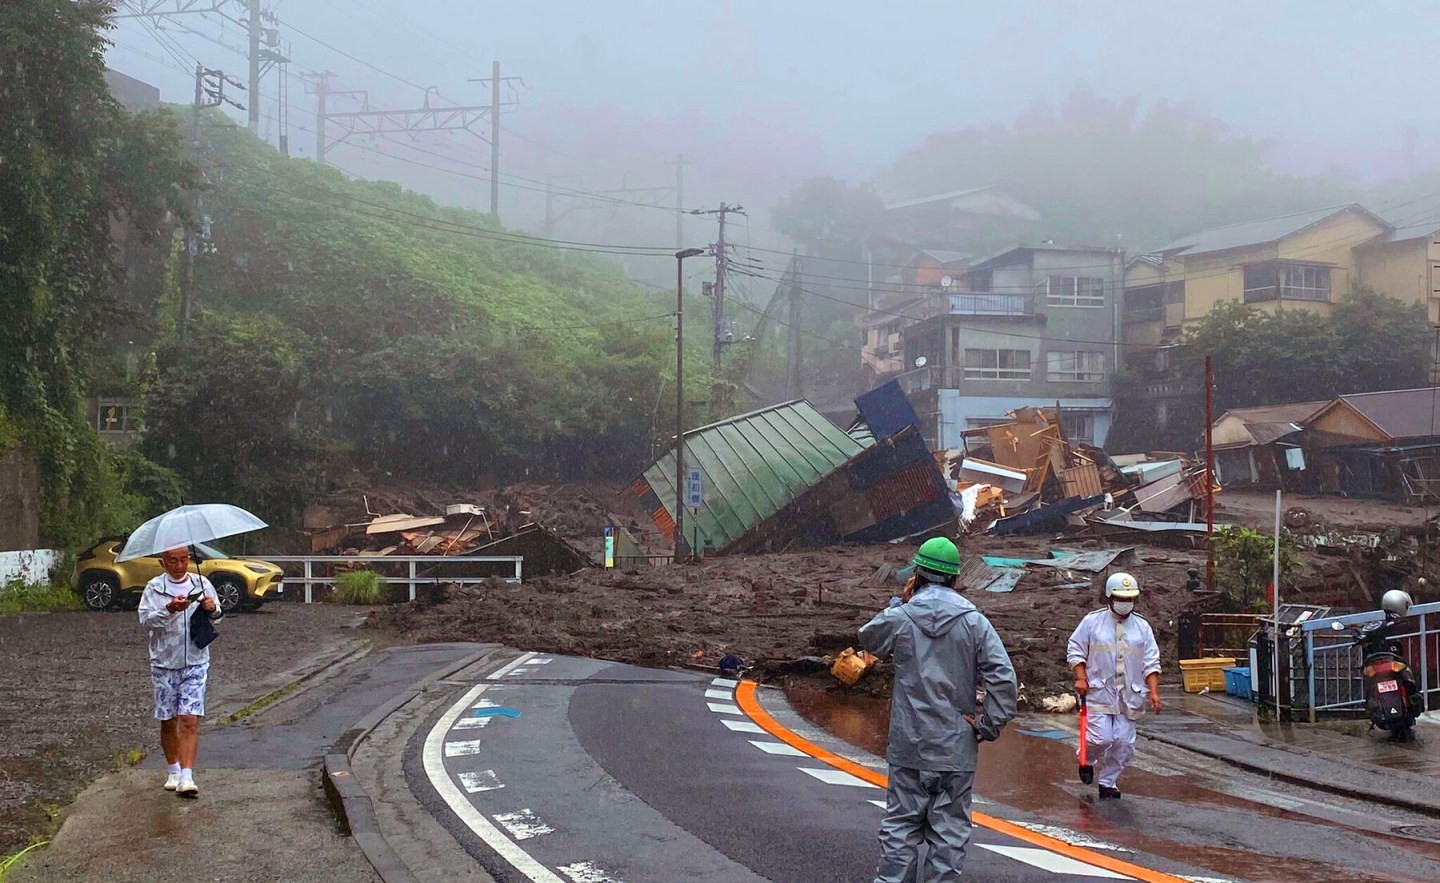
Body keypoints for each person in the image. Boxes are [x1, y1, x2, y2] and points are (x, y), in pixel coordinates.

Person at [859, 537, 1018, 882]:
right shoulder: (975, 622)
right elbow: (1004, 680)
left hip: (909, 743)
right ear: (955, 578)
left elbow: (868, 638)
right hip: (955, 746)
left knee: (900, 829)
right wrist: (987, 725)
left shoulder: (901, 616)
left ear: (917, 573)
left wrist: (899, 603)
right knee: (948, 837)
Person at [1066, 572, 1162, 800]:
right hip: (1099, 692)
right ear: (1109, 597)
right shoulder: (1092, 623)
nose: (1125, 603)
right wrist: (1080, 677)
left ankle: (1108, 782)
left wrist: (1155, 692)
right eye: (1121, 598)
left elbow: (1151, 661)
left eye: (1129, 599)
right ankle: (1087, 760)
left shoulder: (1142, 627)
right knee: (1100, 739)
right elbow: (1076, 649)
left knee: (1123, 743)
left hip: (1129, 696)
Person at [138, 546, 223, 798]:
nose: (179, 565)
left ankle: (187, 776)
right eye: (173, 561)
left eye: (184, 559)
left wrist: (212, 608)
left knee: (189, 717)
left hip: (196, 660)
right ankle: (173, 769)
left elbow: (218, 616)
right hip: (164, 662)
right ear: (163, 563)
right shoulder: (154, 588)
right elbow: (145, 621)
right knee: (168, 718)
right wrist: (169, 610)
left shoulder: (202, 582)